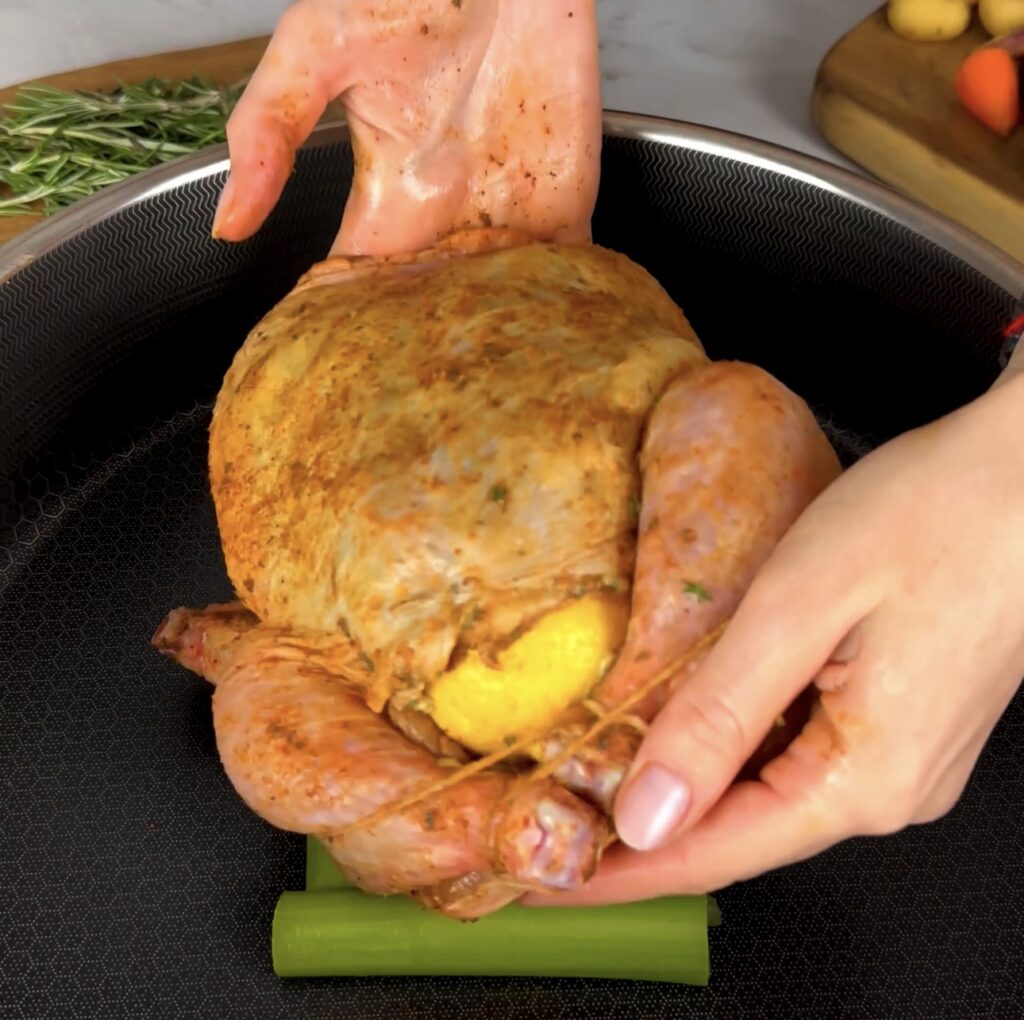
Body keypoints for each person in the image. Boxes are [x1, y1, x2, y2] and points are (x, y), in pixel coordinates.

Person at [212, 0, 1024, 905]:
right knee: (263, 707)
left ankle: (633, 703)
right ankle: (492, 822)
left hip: (562, 444)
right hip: (335, 454)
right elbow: (267, 677)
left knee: (731, 406)